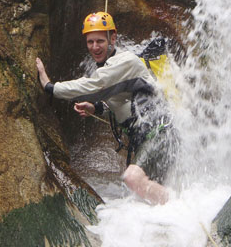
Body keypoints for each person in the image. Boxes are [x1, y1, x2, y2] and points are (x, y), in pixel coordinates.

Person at [36, 11, 179, 205]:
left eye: (100, 41)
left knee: (132, 178)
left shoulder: (125, 61)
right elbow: (124, 101)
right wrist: (96, 108)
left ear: (113, 38)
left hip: (160, 135)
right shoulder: (111, 65)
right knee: (142, 196)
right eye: (90, 42)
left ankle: (179, 206)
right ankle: (174, 213)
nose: (95, 47)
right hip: (148, 138)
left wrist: (50, 87)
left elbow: (96, 85)